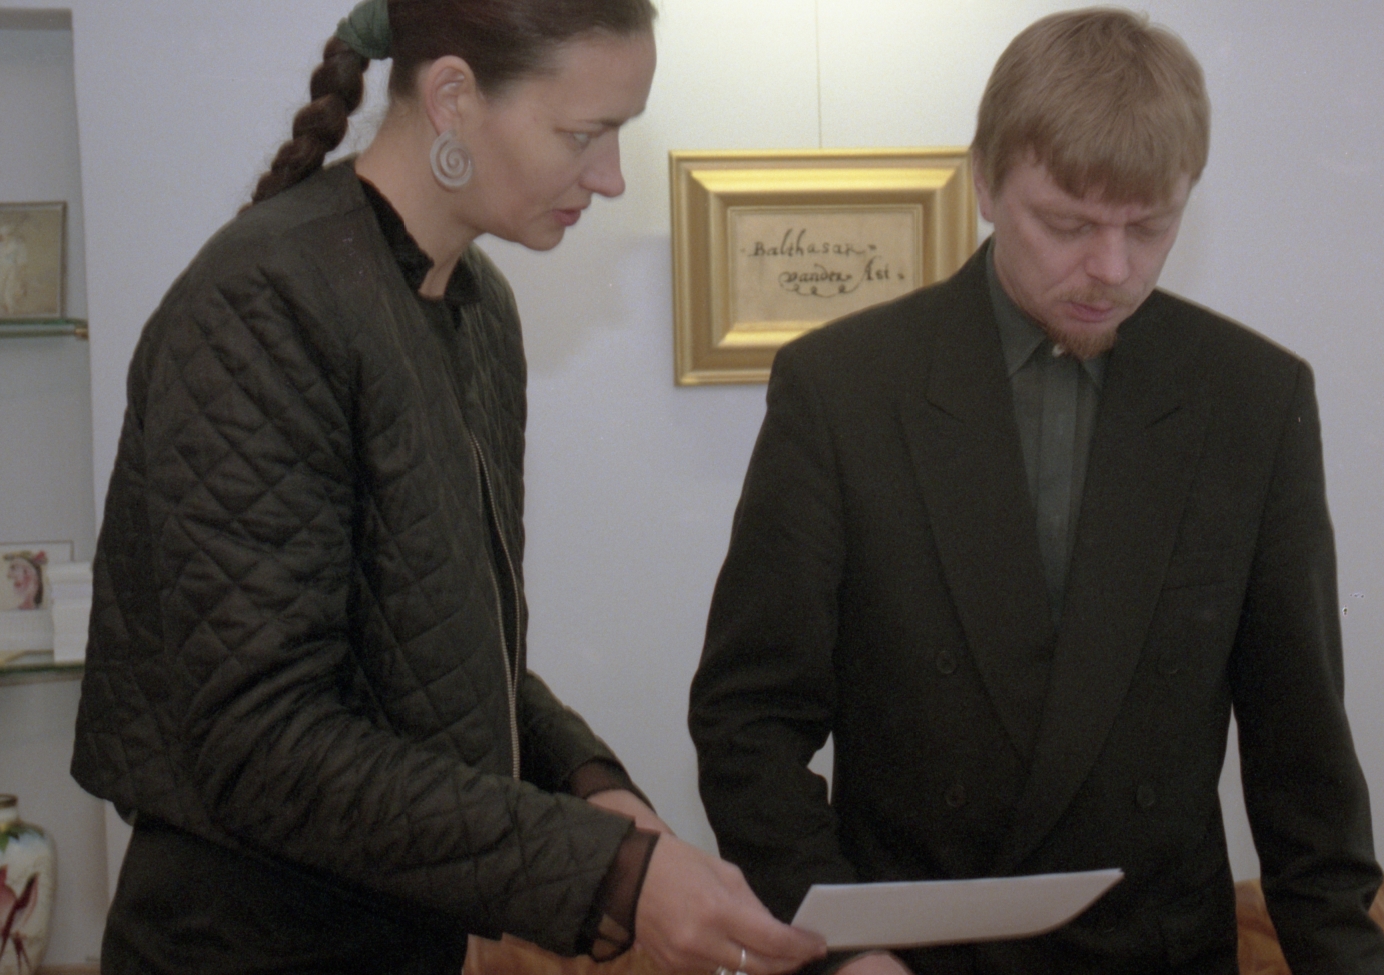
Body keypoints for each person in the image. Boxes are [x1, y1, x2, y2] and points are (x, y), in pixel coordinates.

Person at [70, 3, 825, 974]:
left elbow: (445, 657)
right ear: (453, 97)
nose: (611, 177)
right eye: (584, 134)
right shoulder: (262, 302)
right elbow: (260, 743)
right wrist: (605, 874)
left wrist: (593, 787)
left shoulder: (477, 308)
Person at [688, 9, 1384, 975]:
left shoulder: (1252, 401)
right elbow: (750, 724)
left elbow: (1303, 760)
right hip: (911, 958)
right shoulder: (844, 390)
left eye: (1151, 226)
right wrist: (840, 949)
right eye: (1067, 225)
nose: (1113, 269)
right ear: (983, 181)